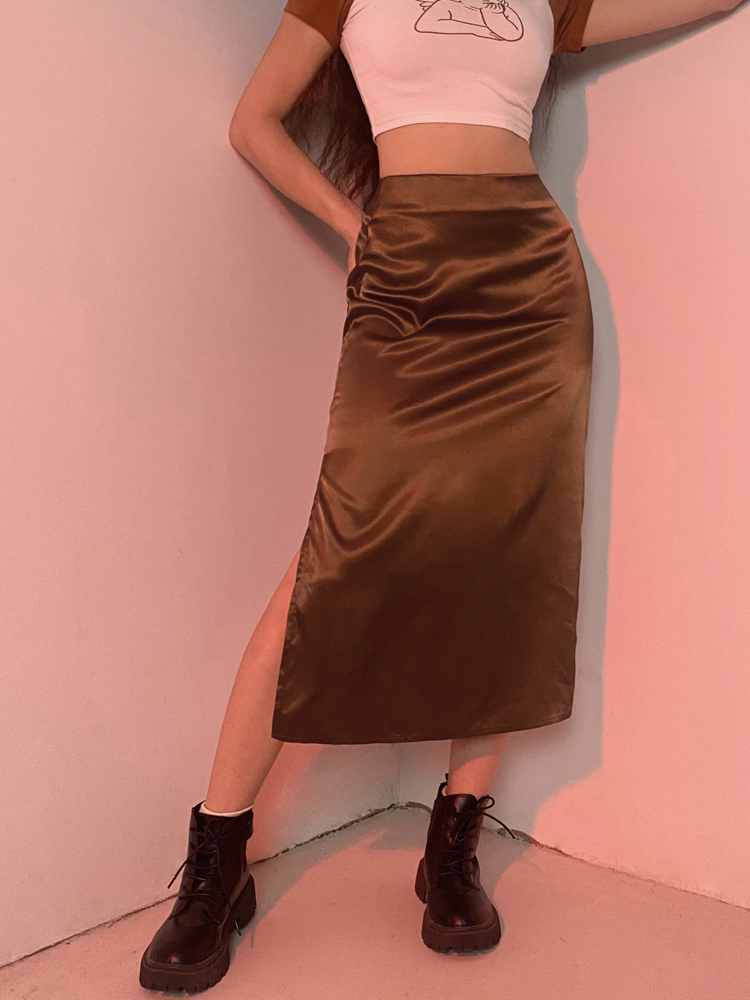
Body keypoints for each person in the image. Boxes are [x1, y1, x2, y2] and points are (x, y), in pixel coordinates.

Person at [138, 0, 742, 992]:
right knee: (337, 554)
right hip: (407, 270)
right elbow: (254, 122)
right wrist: (358, 228)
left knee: (506, 554)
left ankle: (452, 847)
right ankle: (216, 862)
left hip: (531, 281)